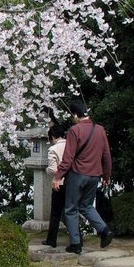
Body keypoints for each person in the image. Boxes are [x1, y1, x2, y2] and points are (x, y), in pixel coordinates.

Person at [52, 100, 113, 254]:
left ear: (75, 115)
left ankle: (76, 244)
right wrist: (106, 175)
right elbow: (106, 155)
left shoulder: (74, 130)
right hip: (95, 175)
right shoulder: (100, 130)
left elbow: (68, 158)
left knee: (71, 209)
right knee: (86, 206)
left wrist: (58, 176)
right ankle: (104, 230)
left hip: (78, 174)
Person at [43, 124, 67, 248]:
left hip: (59, 183)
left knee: (56, 213)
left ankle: (51, 240)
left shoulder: (53, 149)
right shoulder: (71, 145)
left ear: (52, 136)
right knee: (71, 211)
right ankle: (77, 239)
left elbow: (53, 169)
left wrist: (47, 170)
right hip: (72, 183)